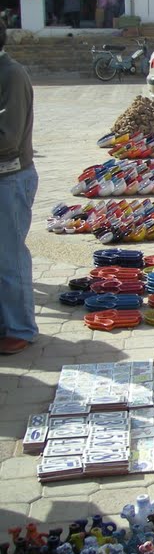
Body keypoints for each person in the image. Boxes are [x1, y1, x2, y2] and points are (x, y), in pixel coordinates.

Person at [0, 20, 37, 355]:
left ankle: (21, 327)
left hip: (9, 177)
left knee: (9, 258)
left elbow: (8, 138)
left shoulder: (11, 75)